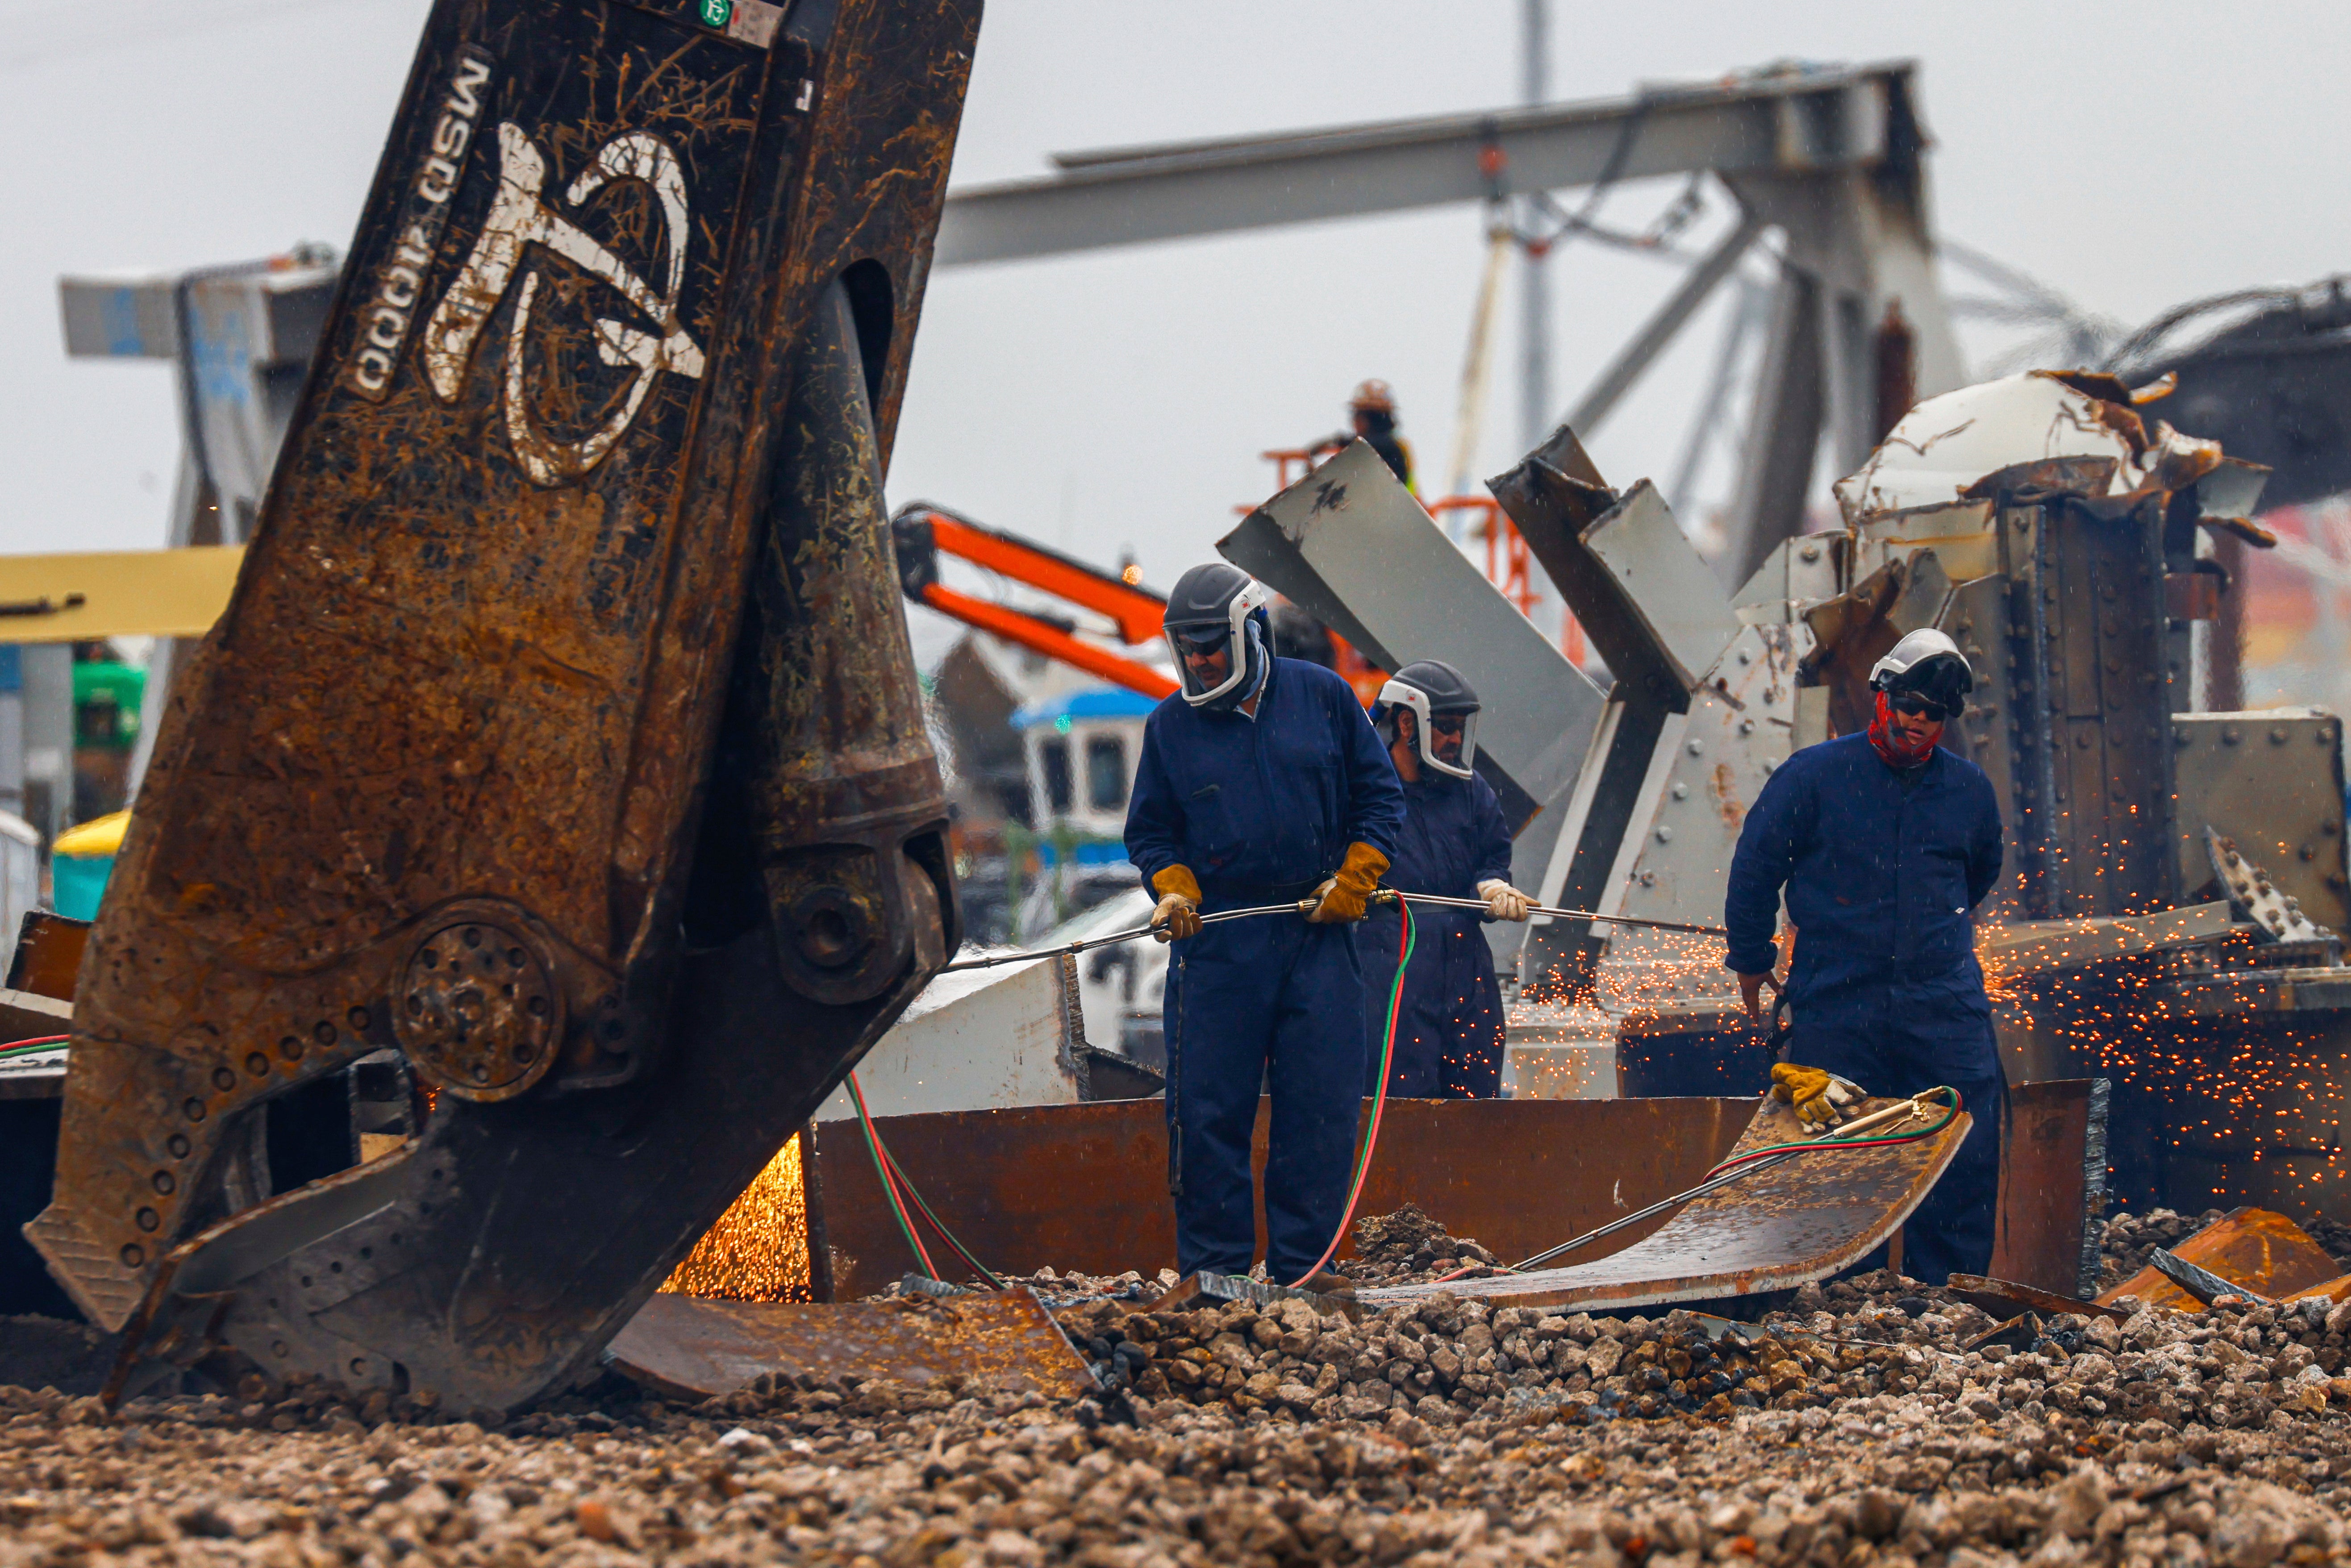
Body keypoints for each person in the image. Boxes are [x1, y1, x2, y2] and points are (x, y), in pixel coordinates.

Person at [1124, 563, 1406, 1292]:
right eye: (1186, 649)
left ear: (1250, 630)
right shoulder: (1170, 728)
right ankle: (1213, 1277)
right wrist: (1173, 885)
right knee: (1208, 1114)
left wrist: (1356, 878)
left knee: (1319, 1110)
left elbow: (1380, 799)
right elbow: (1151, 832)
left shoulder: (1324, 698)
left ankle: (1306, 1269)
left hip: (1319, 936)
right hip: (1219, 944)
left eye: (1210, 646)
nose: (1199, 661)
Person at [1722, 628, 2007, 1284]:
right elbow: (1756, 866)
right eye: (1908, 705)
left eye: (1932, 714)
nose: (1916, 722)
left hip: (1943, 1006)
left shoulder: (1967, 792)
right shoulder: (1813, 777)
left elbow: (1978, 875)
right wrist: (1749, 956)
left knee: (1958, 1151)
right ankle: (1844, 1298)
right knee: (1838, 1156)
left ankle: (1949, 1300)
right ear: (1881, 695)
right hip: (1838, 1002)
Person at [1354, 660, 1530, 1098]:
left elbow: (1492, 855)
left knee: (1474, 1106)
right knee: (1399, 1107)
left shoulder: (1472, 790)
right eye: (1446, 727)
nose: (1456, 740)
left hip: (1467, 971)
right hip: (1391, 968)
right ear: (1407, 720)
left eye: (1460, 728)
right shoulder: (1362, 792)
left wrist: (1492, 884)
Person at [1313, 380, 1414, 490]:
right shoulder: (1391, 446)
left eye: (1356, 415)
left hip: (1391, 505)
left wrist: (1336, 441)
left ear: (1366, 420)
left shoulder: (1386, 447)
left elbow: (1370, 443)